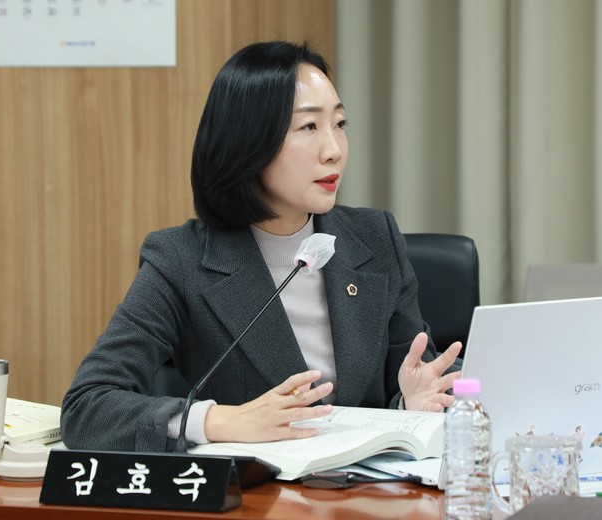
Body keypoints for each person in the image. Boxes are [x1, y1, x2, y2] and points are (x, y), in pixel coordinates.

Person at [61, 41, 463, 453]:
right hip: (255, 487)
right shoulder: (180, 261)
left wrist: (413, 403)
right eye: (309, 127)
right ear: (248, 141)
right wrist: (220, 420)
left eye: (339, 124)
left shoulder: (375, 237)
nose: (334, 151)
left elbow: (418, 379)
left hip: (366, 487)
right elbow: (87, 407)